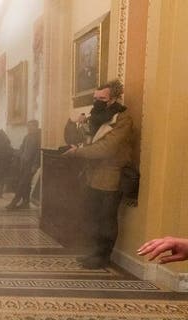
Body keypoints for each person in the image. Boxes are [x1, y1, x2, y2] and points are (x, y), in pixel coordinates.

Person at [63, 79, 133, 269]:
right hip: (92, 175)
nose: (97, 101)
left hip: (111, 176)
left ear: (113, 99)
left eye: (101, 98)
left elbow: (106, 148)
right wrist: (72, 123)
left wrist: (78, 152)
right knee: (93, 216)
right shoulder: (95, 116)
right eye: (95, 97)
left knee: (106, 218)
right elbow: (75, 138)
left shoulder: (122, 118)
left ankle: (103, 256)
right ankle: (94, 252)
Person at [6, 120, 41, 209]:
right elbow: (22, 148)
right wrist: (17, 154)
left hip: (31, 165)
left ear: (36, 127)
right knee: (26, 183)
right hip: (23, 163)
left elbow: (38, 152)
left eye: (31, 126)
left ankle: (14, 202)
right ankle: (25, 202)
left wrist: (35, 165)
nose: (29, 128)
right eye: (28, 126)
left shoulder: (39, 137)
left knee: (23, 183)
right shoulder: (27, 137)